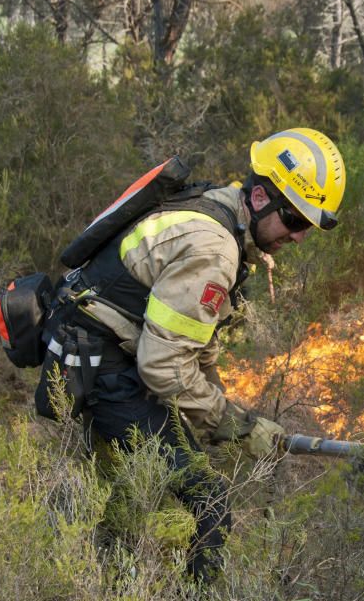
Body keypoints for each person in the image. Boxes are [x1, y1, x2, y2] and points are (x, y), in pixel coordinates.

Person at [35, 128, 346, 582]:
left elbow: (192, 348)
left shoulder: (220, 208)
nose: (299, 237)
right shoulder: (214, 248)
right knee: (210, 504)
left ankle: (106, 575)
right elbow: (163, 366)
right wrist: (234, 424)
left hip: (110, 353)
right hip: (105, 367)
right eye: (295, 220)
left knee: (131, 490)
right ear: (260, 197)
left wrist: (226, 423)